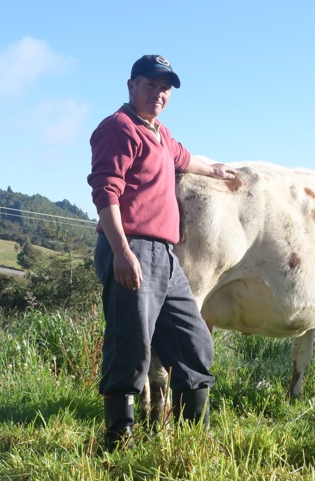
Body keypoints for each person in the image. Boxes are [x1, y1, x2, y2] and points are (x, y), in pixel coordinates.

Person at [88, 54, 236, 449]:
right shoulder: (118, 129)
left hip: (165, 255)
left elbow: (188, 160)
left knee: (194, 341)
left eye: (165, 87)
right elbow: (106, 191)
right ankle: (119, 440)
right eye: (150, 84)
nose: (159, 93)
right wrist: (121, 251)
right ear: (131, 85)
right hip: (131, 247)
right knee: (131, 343)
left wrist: (217, 170)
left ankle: (192, 438)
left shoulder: (160, 134)